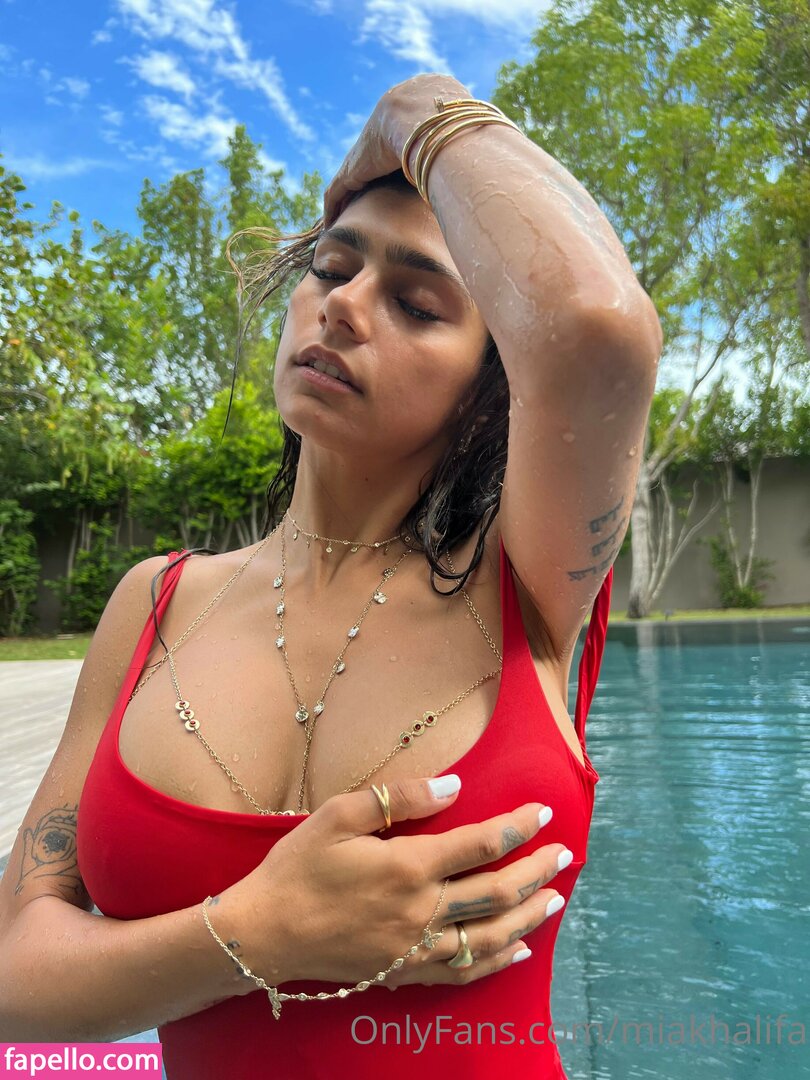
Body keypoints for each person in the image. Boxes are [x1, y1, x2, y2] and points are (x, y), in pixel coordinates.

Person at [0, 74, 661, 1077]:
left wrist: (411, 112)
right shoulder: (156, 603)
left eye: (416, 303)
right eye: (332, 267)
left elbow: (599, 327)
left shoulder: (528, 587)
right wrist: (257, 935)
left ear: (487, 390)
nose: (344, 305)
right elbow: (16, 972)